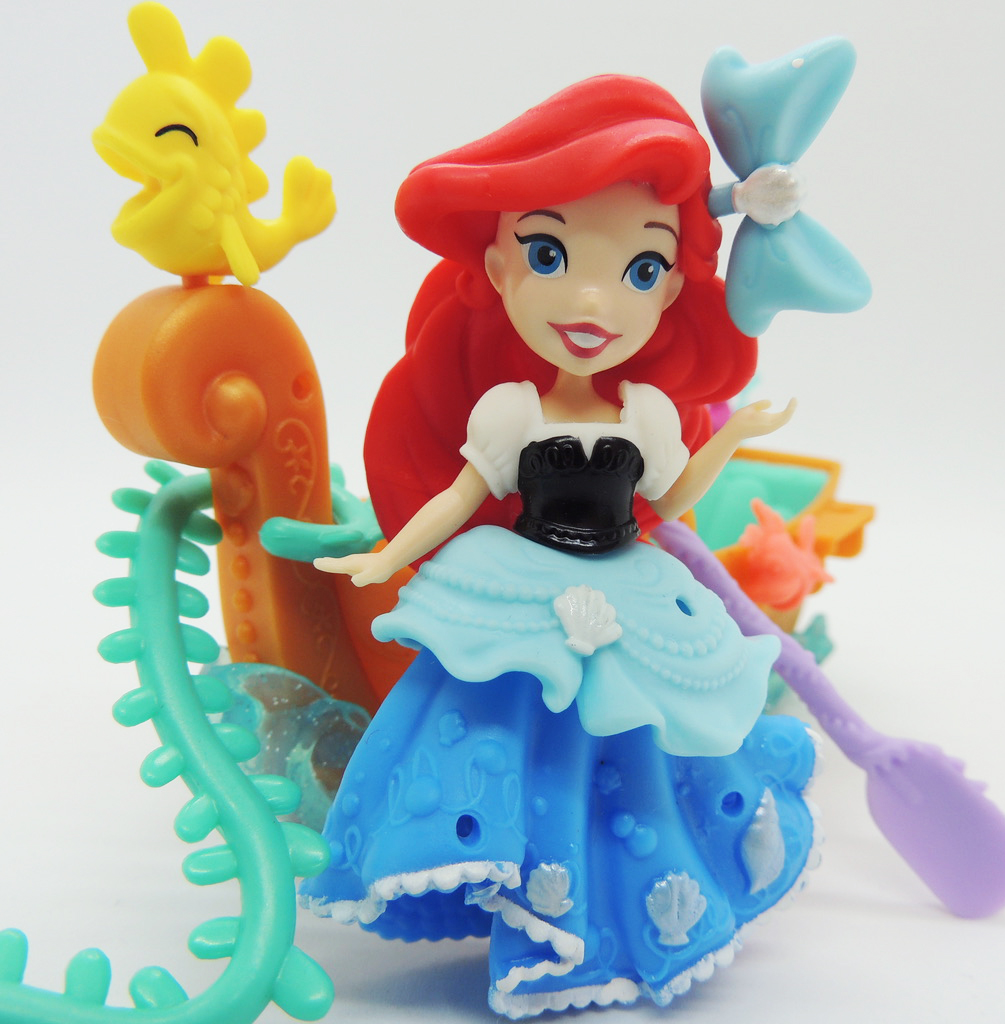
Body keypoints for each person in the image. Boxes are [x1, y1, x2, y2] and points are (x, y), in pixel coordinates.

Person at [301, 74, 819, 1018]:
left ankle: (617, 907)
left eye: (641, 270)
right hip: (519, 587)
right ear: (501, 268)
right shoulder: (509, 412)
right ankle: (526, 884)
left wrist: (734, 437)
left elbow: (672, 495)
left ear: (671, 290)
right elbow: (461, 495)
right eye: (550, 254)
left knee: (635, 748)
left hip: (628, 585)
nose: (593, 301)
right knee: (518, 738)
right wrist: (384, 559)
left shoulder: (649, 414)